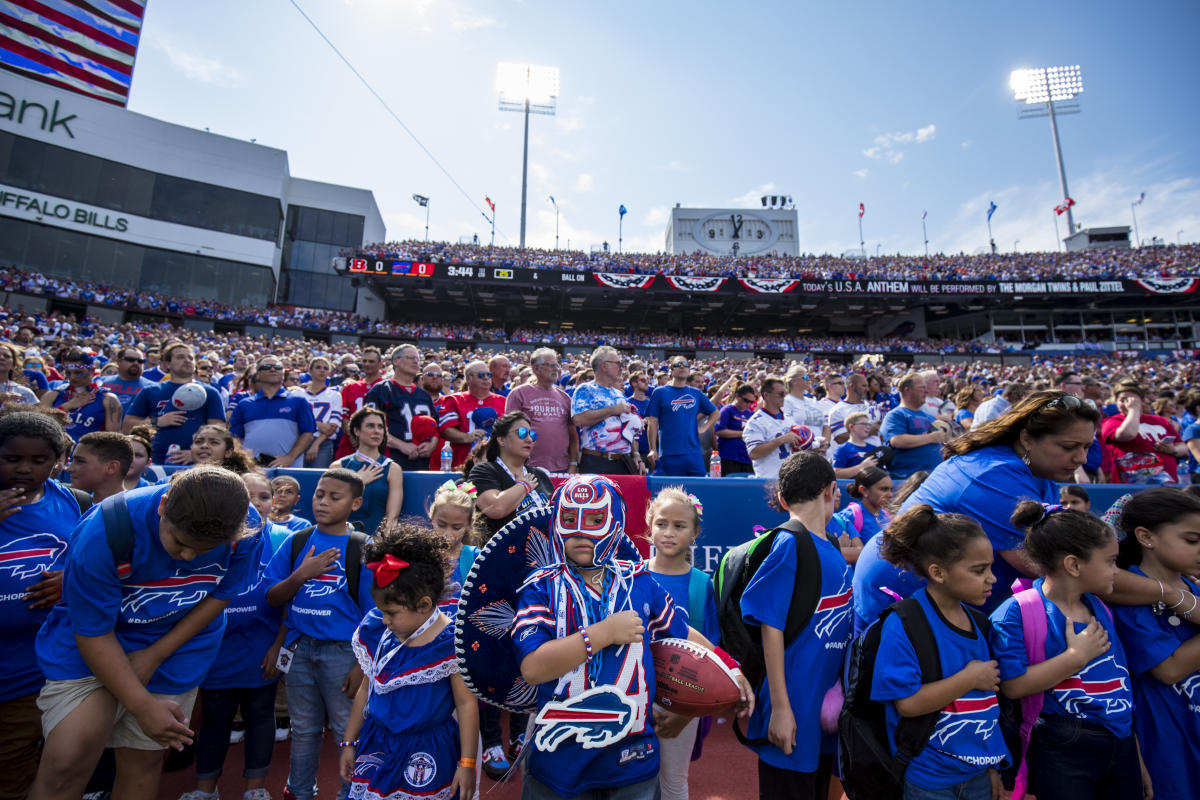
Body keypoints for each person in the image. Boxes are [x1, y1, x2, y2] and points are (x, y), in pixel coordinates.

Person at [512, 474, 750, 799]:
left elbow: (682, 633)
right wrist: (603, 633)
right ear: (555, 521)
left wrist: (730, 667)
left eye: (596, 519)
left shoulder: (641, 582)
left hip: (633, 762)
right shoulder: (541, 587)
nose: (582, 530)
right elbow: (534, 668)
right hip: (559, 762)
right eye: (570, 519)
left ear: (617, 520)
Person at [30, 468, 257, 800]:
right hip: (95, 646)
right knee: (66, 761)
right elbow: (93, 631)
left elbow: (222, 594)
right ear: (163, 506)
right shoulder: (106, 531)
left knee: (144, 761)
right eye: (179, 543)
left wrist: (154, 655)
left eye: (206, 549)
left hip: (179, 649)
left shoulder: (244, 525)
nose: (189, 558)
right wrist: (141, 704)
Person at [990, 502, 1142, 800]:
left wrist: (1136, 758)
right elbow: (1013, 684)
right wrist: (1076, 657)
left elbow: (1121, 693)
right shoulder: (1017, 612)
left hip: (1120, 743)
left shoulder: (1099, 606)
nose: (1116, 570)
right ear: (1073, 565)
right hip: (1062, 749)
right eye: (1110, 561)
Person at [871, 506, 1008, 800]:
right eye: (979, 570)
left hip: (978, 776)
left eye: (990, 567)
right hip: (928, 781)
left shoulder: (980, 623)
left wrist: (992, 767)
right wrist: (970, 678)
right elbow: (907, 704)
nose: (992, 579)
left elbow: (986, 707)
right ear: (938, 572)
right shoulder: (904, 624)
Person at [339, 525, 479, 800]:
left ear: (425, 605)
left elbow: (466, 705)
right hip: (377, 744)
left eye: (391, 613)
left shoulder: (450, 643)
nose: (384, 620)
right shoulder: (380, 631)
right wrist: (349, 742)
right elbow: (366, 691)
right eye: (381, 611)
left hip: (428, 752)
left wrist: (467, 764)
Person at [740, 452, 850, 799]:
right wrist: (782, 710)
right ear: (832, 490)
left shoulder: (831, 547)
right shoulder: (790, 543)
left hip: (822, 716)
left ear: (783, 499)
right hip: (793, 712)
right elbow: (770, 627)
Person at [264, 468, 373, 800]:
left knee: (347, 731)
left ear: (355, 504)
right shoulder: (296, 541)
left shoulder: (363, 548)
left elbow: (375, 614)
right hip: (300, 651)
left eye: (334, 497)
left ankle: (351, 793)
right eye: (319, 494)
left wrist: (361, 664)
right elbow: (273, 597)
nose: (323, 502)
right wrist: (302, 575)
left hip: (344, 653)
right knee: (304, 730)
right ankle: (298, 791)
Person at [180, 474, 286, 800]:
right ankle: (204, 790)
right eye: (248, 496)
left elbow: (291, 599)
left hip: (261, 649)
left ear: (274, 502)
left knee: (259, 716)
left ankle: (255, 790)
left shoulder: (285, 538)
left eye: (264, 496)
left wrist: (278, 645)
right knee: (215, 719)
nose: (256, 503)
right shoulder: (207, 538)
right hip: (215, 649)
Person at [0, 412, 80, 800]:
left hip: (37, 672)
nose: (24, 469)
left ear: (58, 460)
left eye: (39, 460)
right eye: (12, 458)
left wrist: (73, 578)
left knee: (18, 771)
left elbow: (102, 565)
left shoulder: (72, 502)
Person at [1110, 488, 1200, 800]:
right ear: (1146, 537)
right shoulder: (1129, 596)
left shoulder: (1192, 588)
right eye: (1192, 540)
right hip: (1165, 735)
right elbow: (1168, 668)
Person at [645, 487, 720, 800]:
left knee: (673, 782)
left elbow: (709, 657)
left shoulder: (702, 584)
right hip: (633, 697)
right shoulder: (632, 577)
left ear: (695, 533)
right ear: (649, 527)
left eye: (680, 526)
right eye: (661, 523)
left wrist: (686, 712)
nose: (669, 533)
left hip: (680, 703)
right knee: (630, 782)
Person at [124, 343, 226, 464]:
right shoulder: (151, 391)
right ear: (167, 364)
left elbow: (219, 431)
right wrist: (158, 422)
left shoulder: (210, 393)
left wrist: (196, 454)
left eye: (190, 358)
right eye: (180, 357)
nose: (187, 360)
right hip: (154, 462)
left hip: (195, 464)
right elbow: (128, 425)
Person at [467, 411, 554, 538]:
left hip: (540, 552)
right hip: (503, 553)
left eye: (532, 435)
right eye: (522, 433)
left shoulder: (540, 475)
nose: (529, 439)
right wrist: (524, 486)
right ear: (501, 439)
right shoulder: (484, 470)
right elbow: (494, 508)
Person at [229, 356, 316, 468]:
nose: (272, 369)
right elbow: (235, 437)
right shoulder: (244, 404)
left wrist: (290, 457)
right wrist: (244, 460)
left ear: (283, 373)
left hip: (288, 470)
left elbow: (308, 434)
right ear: (258, 374)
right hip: (252, 470)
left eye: (277, 367)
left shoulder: (299, 402)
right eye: (266, 367)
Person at [570, 346, 645, 475]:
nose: (620, 367)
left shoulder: (619, 393)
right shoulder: (585, 389)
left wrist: (636, 454)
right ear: (604, 366)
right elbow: (579, 419)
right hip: (597, 460)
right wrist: (613, 410)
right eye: (617, 363)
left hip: (623, 461)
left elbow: (626, 428)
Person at [363, 344, 438, 471]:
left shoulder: (424, 394)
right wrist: (402, 445)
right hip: (389, 460)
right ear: (396, 361)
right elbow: (371, 428)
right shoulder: (381, 390)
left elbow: (436, 427)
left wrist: (431, 445)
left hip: (421, 461)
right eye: (410, 357)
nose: (415, 361)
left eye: (417, 359)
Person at [332, 407, 403, 538]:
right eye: (370, 426)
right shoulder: (338, 466)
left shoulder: (392, 468)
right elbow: (332, 508)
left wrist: (381, 543)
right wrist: (358, 482)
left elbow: (392, 517)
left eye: (380, 427)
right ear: (356, 431)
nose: (377, 431)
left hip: (376, 539)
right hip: (342, 537)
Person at [505, 347, 578, 473]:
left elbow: (572, 434)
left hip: (561, 468)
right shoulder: (519, 394)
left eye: (557, 365)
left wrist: (573, 464)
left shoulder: (565, 398)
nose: (556, 369)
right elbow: (510, 432)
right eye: (550, 365)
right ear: (536, 368)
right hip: (527, 468)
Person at [644, 357, 719, 476]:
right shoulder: (660, 392)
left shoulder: (696, 393)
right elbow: (652, 422)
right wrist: (652, 449)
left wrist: (704, 428)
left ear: (689, 370)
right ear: (671, 370)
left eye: (685, 364)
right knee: (669, 493)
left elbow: (715, 413)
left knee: (698, 492)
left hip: (694, 454)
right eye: (678, 364)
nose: (682, 366)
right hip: (669, 454)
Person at [1101, 379, 1186, 484]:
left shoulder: (1160, 421)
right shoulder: (1112, 421)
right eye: (1122, 400)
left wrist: (1173, 450)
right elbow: (1128, 434)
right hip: (1131, 483)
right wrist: (1133, 410)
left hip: (1167, 482)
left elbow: (1183, 447)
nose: (1128, 403)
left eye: (1132, 399)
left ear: (1142, 401)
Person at [437, 360, 506, 470]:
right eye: (481, 375)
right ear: (468, 378)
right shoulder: (454, 400)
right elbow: (446, 430)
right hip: (461, 464)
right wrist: (467, 437)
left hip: (495, 465)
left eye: (488, 375)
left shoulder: (503, 402)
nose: (486, 378)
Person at [39, 350, 122, 440]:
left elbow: (112, 439)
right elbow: (38, 427)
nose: (72, 377)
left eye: (78, 372)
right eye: (68, 373)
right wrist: (67, 406)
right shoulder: (52, 396)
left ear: (91, 371)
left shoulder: (107, 399)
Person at [879, 372, 944, 481]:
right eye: (922, 388)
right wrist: (930, 438)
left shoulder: (929, 417)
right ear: (907, 390)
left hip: (933, 479)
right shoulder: (896, 415)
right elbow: (897, 440)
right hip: (907, 480)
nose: (926, 391)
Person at [743, 376, 802, 479]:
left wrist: (815, 446)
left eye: (785, 393)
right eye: (781, 394)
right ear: (766, 395)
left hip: (791, 480)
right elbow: (754, 453)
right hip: (769, 480)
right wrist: (781, 440)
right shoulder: (755, 422)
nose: (784, 397)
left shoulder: (789, 419)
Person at [333, 347, 384, 462]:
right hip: (350, 445)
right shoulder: (350, 388)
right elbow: (344, 416)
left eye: (371, 361)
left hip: (378, 445)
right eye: (364, 361)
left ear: (380, 364)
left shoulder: (386, 387)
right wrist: (354, 436)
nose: (367, 364)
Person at [293, 356, 343, 469]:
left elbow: (332, 427)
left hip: (323, 444)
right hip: (298, 441)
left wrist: (316, 444)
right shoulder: (297, 394)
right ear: (310, 371)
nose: (322, 370)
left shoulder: (334, 395)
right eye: (318, 367)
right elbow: (295, 421)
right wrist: (319, 425)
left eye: (325, 368)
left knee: (317, 479)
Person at [67, 431, 133, 503]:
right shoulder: (71, 502)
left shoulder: (136, 510)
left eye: (80, 461)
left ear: (111, 468)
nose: (69, 468)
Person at [835, 466, 893, 543]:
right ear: (864, 490)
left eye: (891, 489)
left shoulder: (887, 516)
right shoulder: (849, 516)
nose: (890, 495)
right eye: (884, 489)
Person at [714, 382, 758, 475]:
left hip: (746, 458)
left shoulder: (750, 414)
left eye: (751, 401)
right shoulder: (727, 410)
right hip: (729, 456)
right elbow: (719, 431)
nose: (748, 404)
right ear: (737, 396)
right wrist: (741, 434)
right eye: (746, 400)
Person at [827, 372, 881, 446]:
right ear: (852, 386)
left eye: (867, 386)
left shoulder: (872, 405)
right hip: (855, 455)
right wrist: (869, 431)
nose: (867, 389)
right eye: (864, 386)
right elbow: (840, 438)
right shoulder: (837, 410)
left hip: (879, 452)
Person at [98, 347, 155, 415]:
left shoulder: (153, 388)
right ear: (118, 361)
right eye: (130, 359)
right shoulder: (100, 382)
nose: (136, 363)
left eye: (140, 361)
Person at [189, 424, 259, 475]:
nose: (204, 446)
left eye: (214, 443)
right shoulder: (182, 480)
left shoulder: (240, 482)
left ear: (228, 452)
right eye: (198, 441)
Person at [830, 412, 882, 477]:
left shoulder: (873, 448)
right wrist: (862, 467)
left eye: (869, 424)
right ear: (851, 426)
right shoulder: (843, 449)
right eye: (863, 424)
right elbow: (836, 473)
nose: (868, 427)